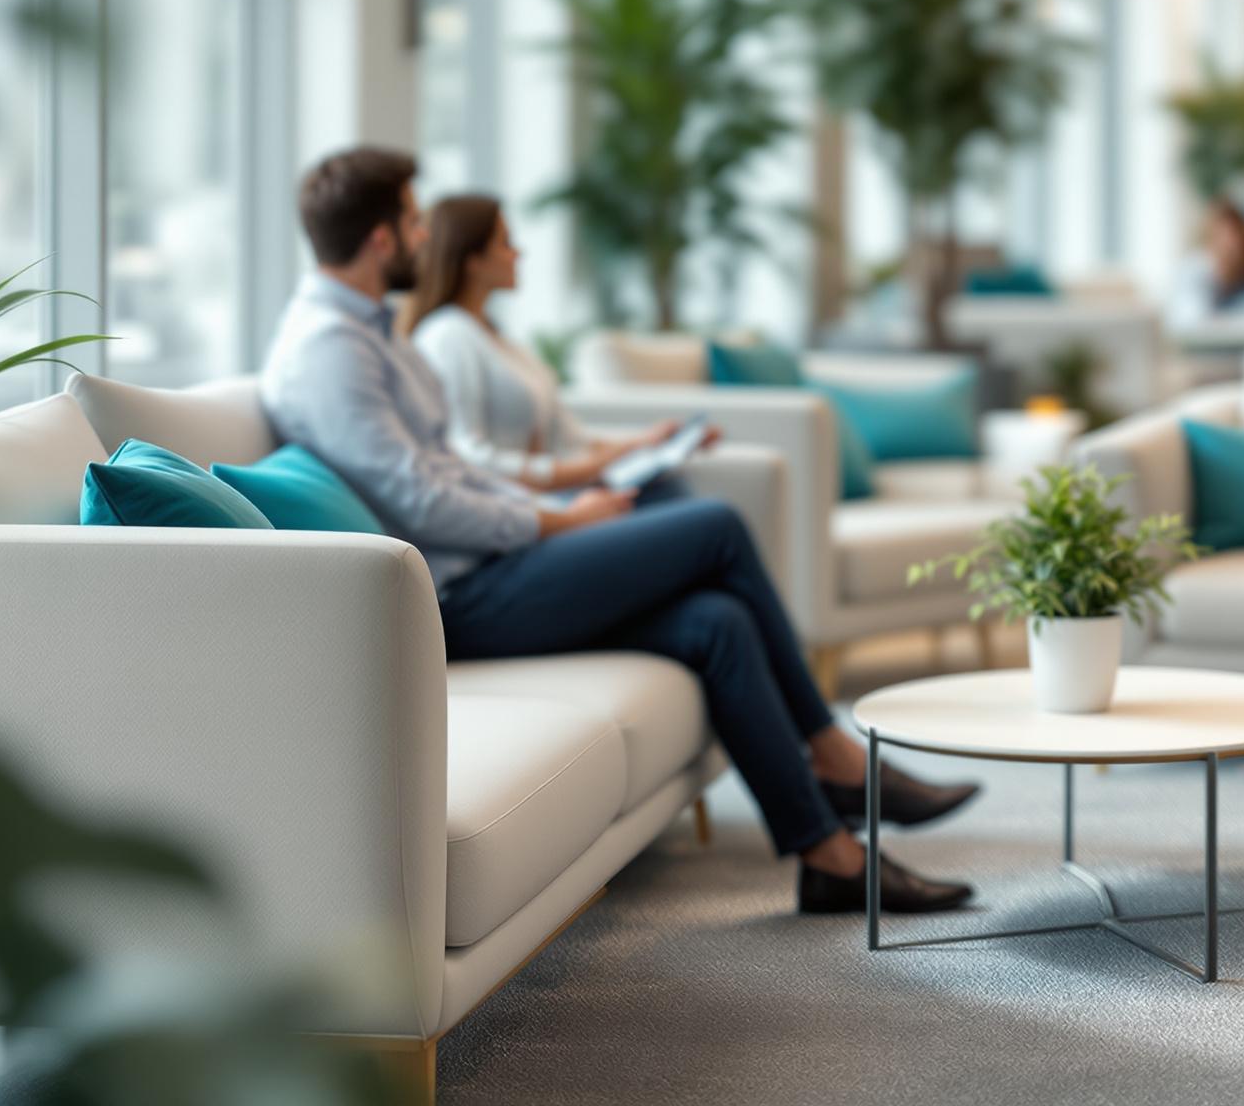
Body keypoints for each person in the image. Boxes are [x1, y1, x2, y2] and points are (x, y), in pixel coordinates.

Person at [259, 148, 980, 914]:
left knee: (718, 622)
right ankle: (832, 753)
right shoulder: (329, 353)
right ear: (380, 239)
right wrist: (556, 521)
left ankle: (829, 856)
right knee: (714, 526)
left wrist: (563, 505)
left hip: (489, 563)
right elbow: (422, 503)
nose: (419, 235)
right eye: (410, 219)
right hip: (459, 598)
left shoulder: (373, 335)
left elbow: (448, 473)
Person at [403, 194, 691, 494]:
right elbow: (468, 456)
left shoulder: (493, 336)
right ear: (473, 261)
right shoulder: (447, 336)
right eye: (505, 243)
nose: (519, 253)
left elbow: (571, 441)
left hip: (556, 498)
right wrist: (591, 470)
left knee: (670, 488)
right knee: (710, 517)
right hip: (525, 513)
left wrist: (647, 443)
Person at [1168, 198, 1244, 332]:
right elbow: (1188, 322)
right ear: (1209, 240)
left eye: (1235, 237)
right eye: (1222, 237)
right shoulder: (1195, 269)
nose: (1229, 245)